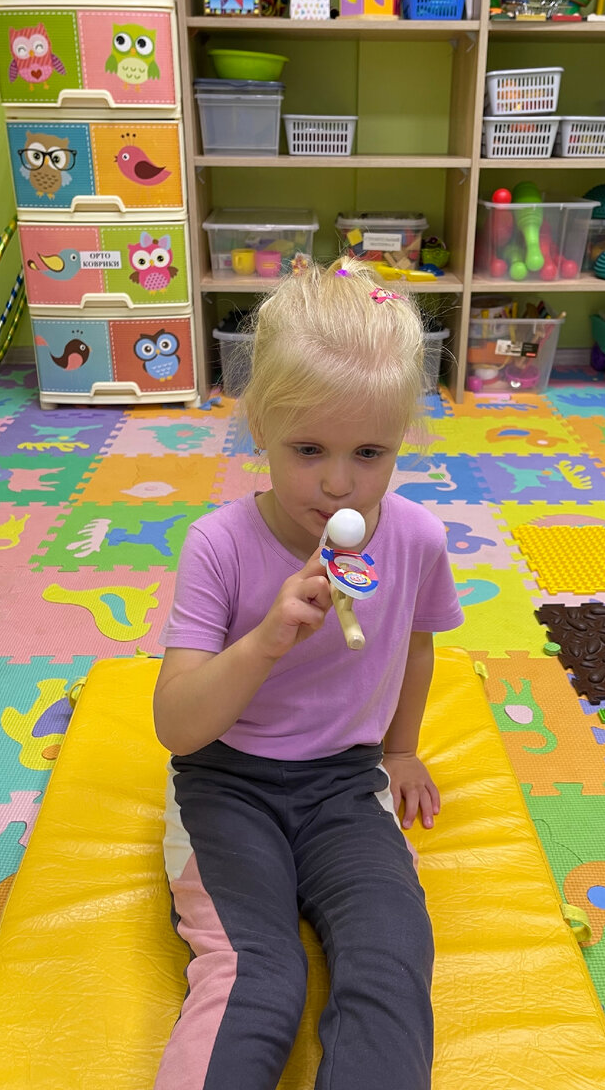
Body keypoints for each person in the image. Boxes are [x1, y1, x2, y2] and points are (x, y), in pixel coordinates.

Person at [152, 256, 464, 1090]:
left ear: (401, 439)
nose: (337, 482)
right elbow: (177, 725)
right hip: (225, 786)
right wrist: (264, 642)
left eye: (369, 451)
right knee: (259, 973)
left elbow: (417, 642)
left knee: (392, 954)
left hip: (346, 786)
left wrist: (401, 751)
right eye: (308, 449)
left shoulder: (417, 539)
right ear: (259, 424)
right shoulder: (218, 546)